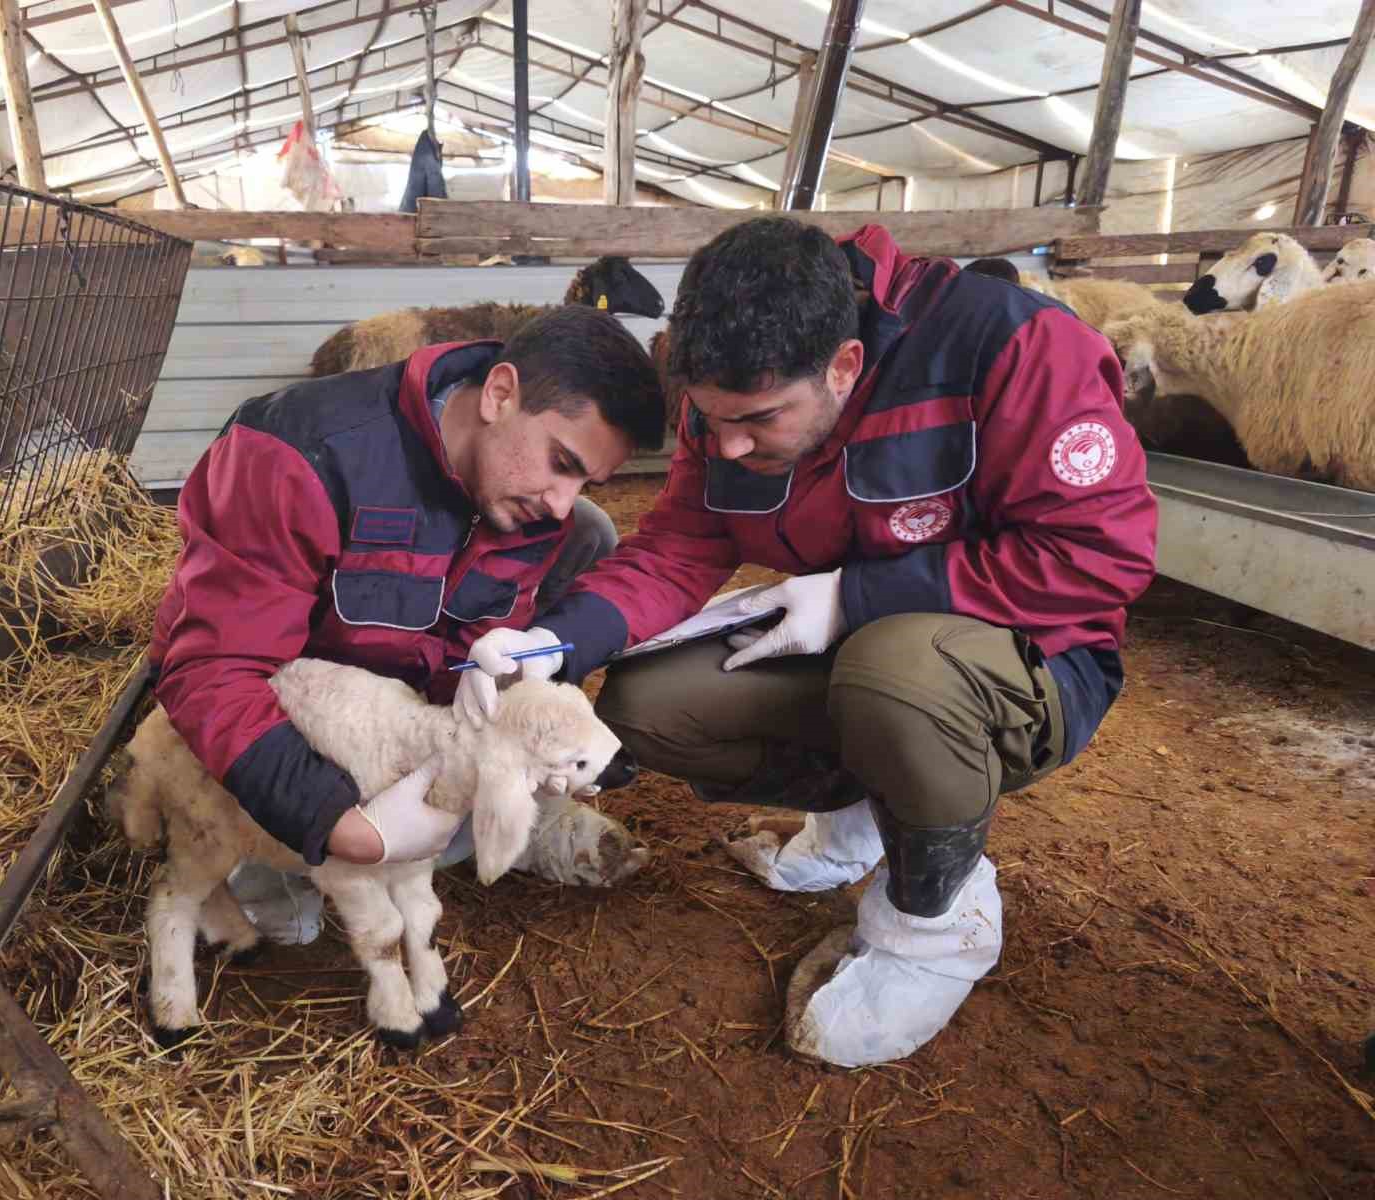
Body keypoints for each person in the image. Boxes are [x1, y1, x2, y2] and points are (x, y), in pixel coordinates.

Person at [456, 218, 1157, 1068]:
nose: (730, 446)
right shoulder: (727, 399)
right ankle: (866, 810)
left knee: (893, 674)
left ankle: (937, 921)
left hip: (1025, 662)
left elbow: (1095, 556)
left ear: (844, 367)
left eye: (758, 421)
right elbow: (681, 541)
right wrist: (558, 642)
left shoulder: (1013, 348)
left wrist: (858, 596)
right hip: (848, 644)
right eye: (710, 422)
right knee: (650, 704)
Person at [149, 305, 666, 915]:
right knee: (291, 905)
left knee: (591, 533)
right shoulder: (294, 454)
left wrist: (500, 724)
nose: (561, 502)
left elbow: (470, 656)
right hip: (311, 719)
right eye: (562, 463)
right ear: (500, 394)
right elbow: (213, 668)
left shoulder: (526, 501)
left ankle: (500, 819)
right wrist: (334, 821)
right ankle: (279, 844)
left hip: (405, 722)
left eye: (586, 480)